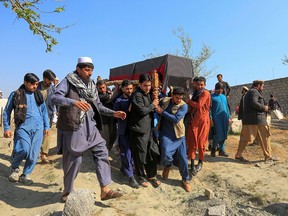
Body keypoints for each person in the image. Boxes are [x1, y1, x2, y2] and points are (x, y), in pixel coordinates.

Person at [51, 57, 126, 202]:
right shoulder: (69, 81)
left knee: (102, 150)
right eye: (86, 70)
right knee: (75, 161)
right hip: (74, 126)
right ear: (78, 69)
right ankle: (67, 191)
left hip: (90, 126)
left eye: (91, 70)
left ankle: (105, 189)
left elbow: (98, 106)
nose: (89, 73)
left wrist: (113, 113)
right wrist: (74, 103)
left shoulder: (91, 86)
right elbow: (55, 98)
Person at [3, 73, 50, 185]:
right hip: (23, 127)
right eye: (32, 84)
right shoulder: (16, 94)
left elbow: (44, 112)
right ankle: (14, 168)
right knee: (24, 149)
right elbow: (6, 112)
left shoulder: (39, 95)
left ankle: (25, 175)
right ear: (25, 82)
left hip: (38, 128)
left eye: (37, 84)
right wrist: (7, 127)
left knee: (34, 154)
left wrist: (46, 126)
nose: (35, 86)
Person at [156, 87, 191, 192]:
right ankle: (167, 166)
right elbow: (157, 100)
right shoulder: (165, 100)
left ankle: (186, 180)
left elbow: (175, 119)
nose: (178, 100)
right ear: (172, 95)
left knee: (183, 158)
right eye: (177, 98)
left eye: (180, 98)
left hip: (179, 135)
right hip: (166, 133)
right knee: (166, 153)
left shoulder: (184, 106)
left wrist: (162, 112)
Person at [129, 73, 161, 188]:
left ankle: (152, 175)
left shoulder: (148, 95)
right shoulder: (137, 95)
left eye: (149, 85)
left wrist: (155, 104)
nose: (147, 87)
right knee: (140, 155)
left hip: (149, 130)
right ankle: (141, 176)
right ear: (140, 84)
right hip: (139, 130)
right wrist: (153, 105)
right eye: (145, 85)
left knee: (152, 152)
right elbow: (142, 111)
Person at [235, 80, 275, 163]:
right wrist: (264, 108)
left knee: (244, 139)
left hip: (249, 120)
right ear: (258, 85)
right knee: (265, 137)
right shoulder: (254, 92)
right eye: (262, 86)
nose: (263, 88)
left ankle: (238, 155)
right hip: (258, 120)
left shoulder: (248, 93)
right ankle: (268, 156)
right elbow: (254, 103)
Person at [113, 80, 139, 189]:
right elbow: (116, 115)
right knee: (126, 152)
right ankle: (130, 176)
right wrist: (127, 110)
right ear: (122, 89)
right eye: (127, 89)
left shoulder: (136, 97)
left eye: (131, 88)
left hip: (135, 130)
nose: (129, 91)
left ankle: (125, 168)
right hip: (124, 131)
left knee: (132, 152)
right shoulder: (118, 100)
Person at [186, 76, 211, 176]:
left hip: (202, 121)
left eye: (202, 85)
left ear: (205, 85)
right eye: (198, 84)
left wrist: (189, 101)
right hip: (193, 121)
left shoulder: (205, 93)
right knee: (192, 143)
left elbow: (199, 105)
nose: (200, 86)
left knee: (201, 143)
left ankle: (200, 162)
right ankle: (192, 165)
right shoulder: (196, 92)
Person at [38, 69, 56, 163]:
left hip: (48, 114)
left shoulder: (53, 88)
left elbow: (57, 99)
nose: (51, 82)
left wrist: (58, 111)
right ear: (45, 78)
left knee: (47, 133)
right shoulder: (36, 87)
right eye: (49, 80)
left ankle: (44, 155)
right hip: (36, 115)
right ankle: (35, 152)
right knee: (37, 133)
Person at [210, 83, 232, 157]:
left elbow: (227, 108)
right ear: (215, 88)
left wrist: (229, 117)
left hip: (225, 118)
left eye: (221, 89)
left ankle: (221, 150)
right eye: (218, 89)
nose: (220, 90)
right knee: (217, 134)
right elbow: (209, 109)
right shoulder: (211, 97)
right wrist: (211, 119)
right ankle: (213, 149)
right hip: (216, 119)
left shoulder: (224, 97)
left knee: (225, 134)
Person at [96, 80, 119, 151]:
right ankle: (104, 152)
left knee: (113, 135)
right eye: (100, 88)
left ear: (106, 86)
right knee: (105, 138)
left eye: (103, 87)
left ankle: (107, 149)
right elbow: (110, 97)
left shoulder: (108, 91)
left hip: (112, 119)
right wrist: (117, 88)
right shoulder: (98, 96)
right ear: (97, 88)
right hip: (103, 121)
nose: (102, 90)